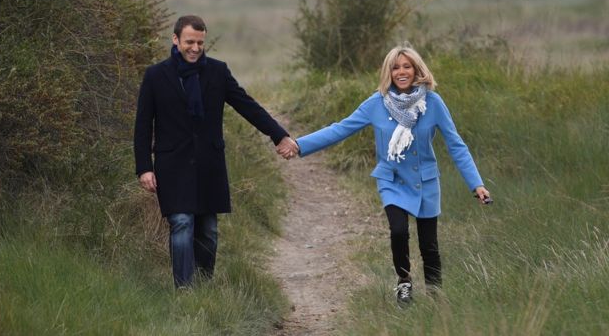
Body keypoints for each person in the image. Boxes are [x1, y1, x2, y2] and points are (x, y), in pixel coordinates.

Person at [282, 45, 491, 305]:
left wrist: (477, 184)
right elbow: (340, 129)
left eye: (406, 66)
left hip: (425, 180)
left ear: (416, 70)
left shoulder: (433, 103)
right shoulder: (376, 103)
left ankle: (436, 296)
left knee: (429, 245)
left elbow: (456, 144)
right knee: (399, 231)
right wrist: (300, 144)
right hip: (392, 179)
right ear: (388, 72)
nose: (401, 72)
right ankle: (404, 281)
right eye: (395, 67)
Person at [134, 15, 298, 288]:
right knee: (182, 223)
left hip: (209, 165)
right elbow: (142, 125)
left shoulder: (217, 72)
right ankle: (185, 290)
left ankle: (203, 285)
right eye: (189, 42)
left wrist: (278, 135)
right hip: (172, 164)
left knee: (208, 231)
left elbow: (247, 105)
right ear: (175, 40)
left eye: (200, 42)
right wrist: (144, 167)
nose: (195, 48)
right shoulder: (155, 76)